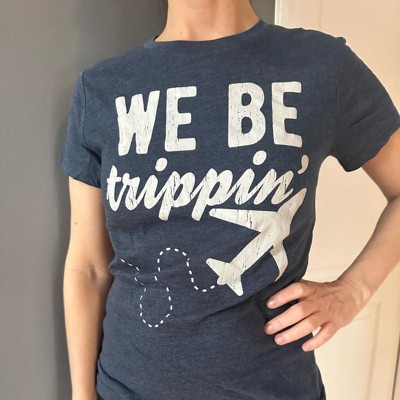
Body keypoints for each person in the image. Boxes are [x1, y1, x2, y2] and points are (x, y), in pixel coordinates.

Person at [59, 1, 400, 399]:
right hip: (127, 388)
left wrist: (353, 291)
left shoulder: (322, 66)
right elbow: (88, 268)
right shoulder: (101, 90)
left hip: (274, 389)